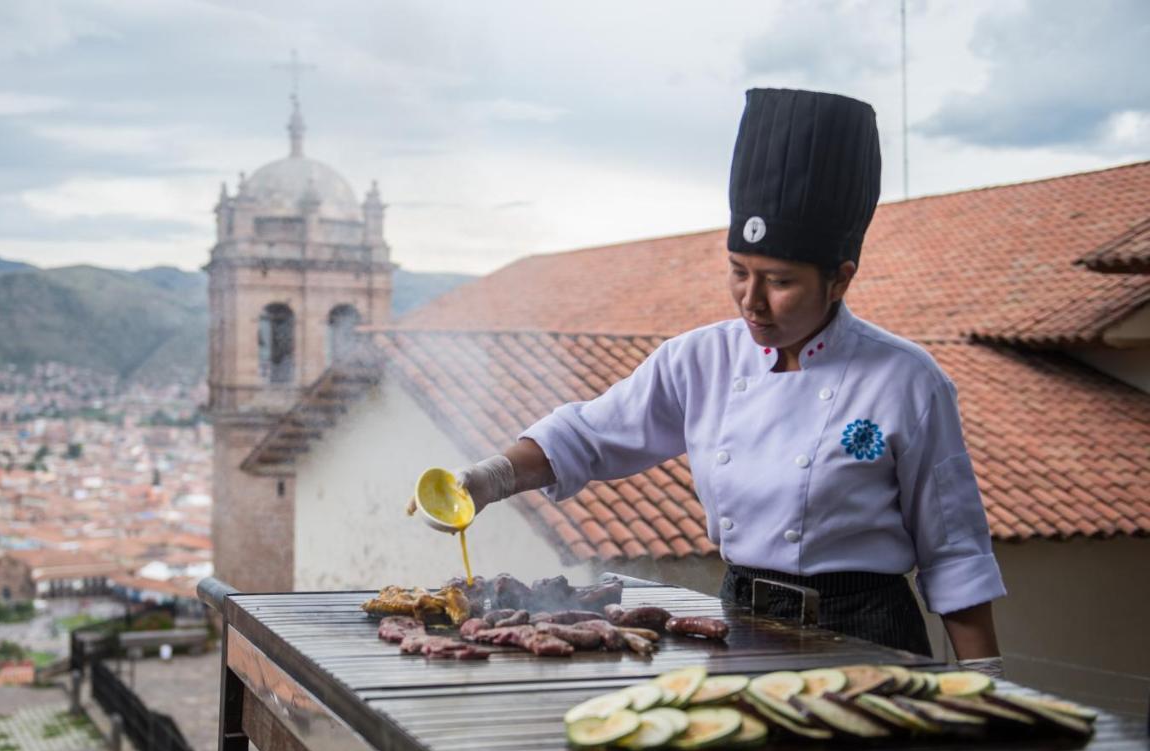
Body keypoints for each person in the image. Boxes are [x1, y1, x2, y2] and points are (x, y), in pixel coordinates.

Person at [426, 89, 1004, 676]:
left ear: (840, 279)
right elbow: (588, 436)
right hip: (741, 623)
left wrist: (991, 687)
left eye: (779, 281)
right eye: (738, 272)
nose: (752, 302)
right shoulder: (700, 359)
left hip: (867, 635)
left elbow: (954, 553)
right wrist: (485, 480)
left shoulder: (907, 381)